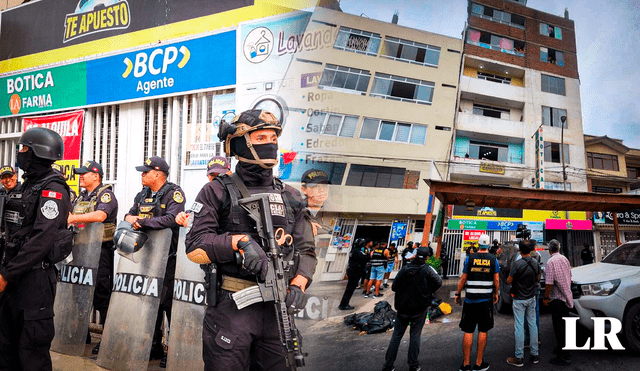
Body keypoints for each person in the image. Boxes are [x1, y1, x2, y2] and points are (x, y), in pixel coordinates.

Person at [184, 109, 316, 370]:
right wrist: (239, 242)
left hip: (279, 313)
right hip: (233, 309)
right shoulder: (217, 191)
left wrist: (299, 284)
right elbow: (195, 246)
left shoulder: (291, 196)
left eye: (273, 138)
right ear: (239, 143)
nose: (270, 143)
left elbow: (307, 250)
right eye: (260, 138)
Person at [0, 128, 71, 370]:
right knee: (5, 348)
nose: (19, 154)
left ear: (35, 152)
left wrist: (6, 275)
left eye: (22, 149)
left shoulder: (53, 188)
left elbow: (42, 239)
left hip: (34, 281)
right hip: (12, 277)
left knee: (31, 352)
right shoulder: (25, 186)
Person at [124, 156, 185, 367]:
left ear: (157, 174)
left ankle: (173, 349)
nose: (142, 175)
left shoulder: (173, 193)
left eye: (145, 172)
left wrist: (142, 222)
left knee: (169, 304)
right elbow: (129, 215)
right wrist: (133, 219)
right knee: (150, 301)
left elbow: (171, 219)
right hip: (147, 256)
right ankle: (154, 345)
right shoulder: (142, 194)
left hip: (168, 258)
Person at [67, 161, 118, 354]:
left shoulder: (106, 194)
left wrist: (73, 218)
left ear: (95, 176)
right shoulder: (82, 195)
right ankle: (82, 333)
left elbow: (101, 215)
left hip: (100, 252)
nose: (80, 176)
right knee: (79, 294)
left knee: (101, 295)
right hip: (81, 251)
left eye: (84, 173)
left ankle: (106, 340)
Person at [382, 245, 442, 371]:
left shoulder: (404, 269)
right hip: (419, 309)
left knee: (396, 336)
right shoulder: (427, 269)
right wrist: (427, 292)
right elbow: (438, 282)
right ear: (427, 258)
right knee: (415, 336)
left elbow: (394, 287)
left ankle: (388, 365)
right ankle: (413, 364)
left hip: (403, 308)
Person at [454, 234, 499, 371]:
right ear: (489, 245)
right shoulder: (493, 259)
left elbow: (463, 279)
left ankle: (466, 364)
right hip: (485, 300)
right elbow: (496, 280)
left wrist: (457, 294)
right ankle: (479, 364)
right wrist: (496, 294)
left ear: (478, 244)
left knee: (468, 331)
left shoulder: (470, 258)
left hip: (470, 300)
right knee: (483, 330)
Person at [506, 239, 540, 367]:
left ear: (519, 251)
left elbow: (509, 281)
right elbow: (537, 278)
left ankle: (519, 357)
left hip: (519, 299)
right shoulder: (535, 263)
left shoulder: (517, 264)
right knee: (532, 325)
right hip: (531, 298)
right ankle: (535, 354)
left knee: (519, 326)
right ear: (531, 250)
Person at [175, 156, 231, 228]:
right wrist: (184, 216)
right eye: (213, 176)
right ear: (208, 176)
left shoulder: (235, 192)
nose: (218, 180)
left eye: (221, 175)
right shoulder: (207, 191)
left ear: (230, 174)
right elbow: (199, 211)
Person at [543, 239, 574, 366]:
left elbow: (549, 283)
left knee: (559, 328)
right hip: (566, 297)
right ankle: (561, 348)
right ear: (559, 249)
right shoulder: (565, 259)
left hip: (556, 299)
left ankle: (564, 356)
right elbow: (570, 276)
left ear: (549, 250)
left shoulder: (550, 262)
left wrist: (545, 298)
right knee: (563, 327)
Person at [338, 238, 368, 310]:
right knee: (350, 289)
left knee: (349, 288)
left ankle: (344, 303)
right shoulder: (357, 252)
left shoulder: (353, 251)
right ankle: (344, 304)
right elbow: (365, 258)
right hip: (355, 271)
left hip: (352, 270)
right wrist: (368, 254)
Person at [300, 168, 330, 236]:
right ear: (304, 190)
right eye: (315, 186)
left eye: (325, 186)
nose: (322, 190)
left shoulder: (337, 210)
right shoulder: (295, 210)